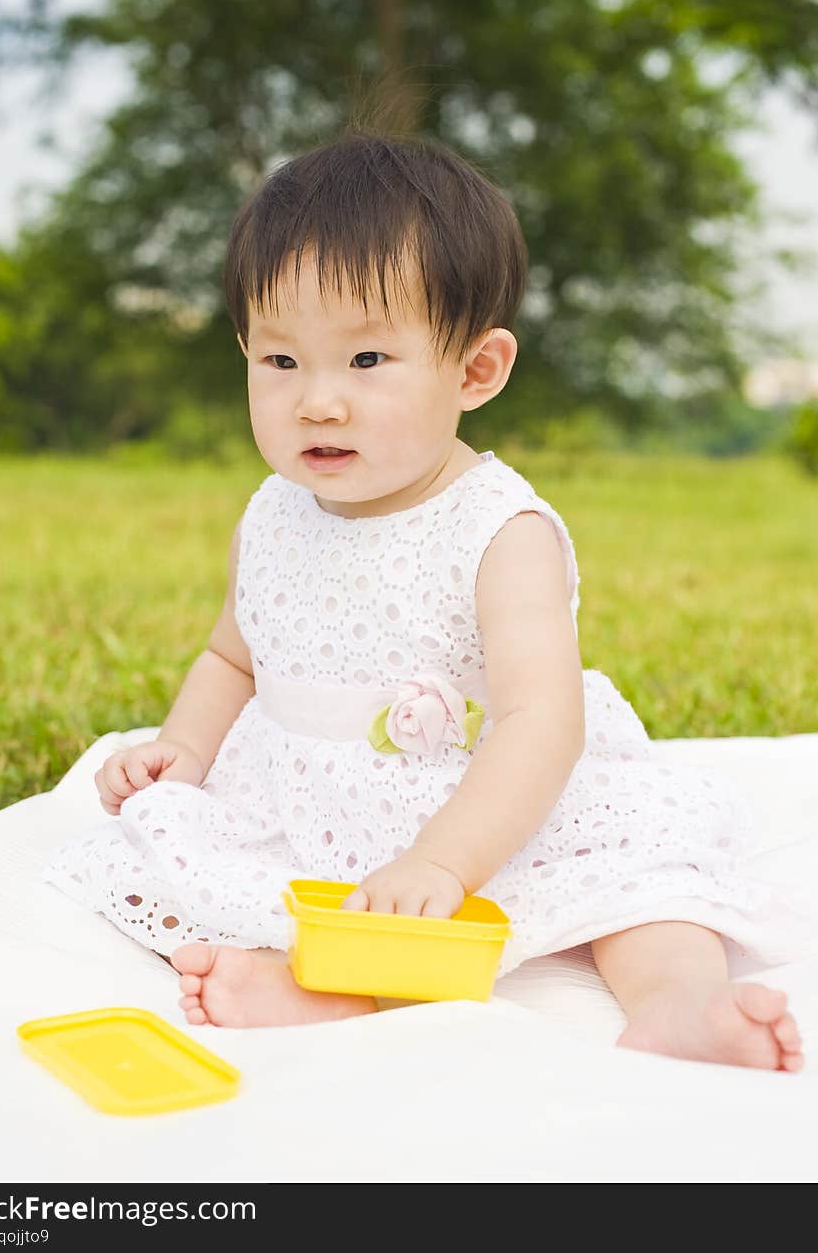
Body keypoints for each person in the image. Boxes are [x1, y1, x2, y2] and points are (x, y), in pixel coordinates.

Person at [43, 130, 808, 1070]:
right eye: (280, 362)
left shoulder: (498, 529)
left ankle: (680, 1004)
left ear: (475, 371)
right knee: (187, 871)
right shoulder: (273, 515)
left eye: (366, 362)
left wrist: (445, 859)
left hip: (491, 800)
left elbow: (540, 721)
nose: (318, 401)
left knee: (637, 884)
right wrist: (182, 752)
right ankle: (334, 989)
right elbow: (231, 658)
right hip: (310, 797)